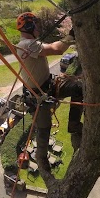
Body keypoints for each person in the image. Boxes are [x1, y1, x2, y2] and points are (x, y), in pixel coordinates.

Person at [15, 12, 83, 171]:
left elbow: (50, 47)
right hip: (39, 95)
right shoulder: (26, 45)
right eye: (36, 25)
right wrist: (71, 34)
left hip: (49, 85)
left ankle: (74, 124)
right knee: (44, 130)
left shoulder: (30, 44)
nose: (39, 29)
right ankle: (41, 159)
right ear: (30, 26)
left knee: (79, 87)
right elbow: (56, 49)